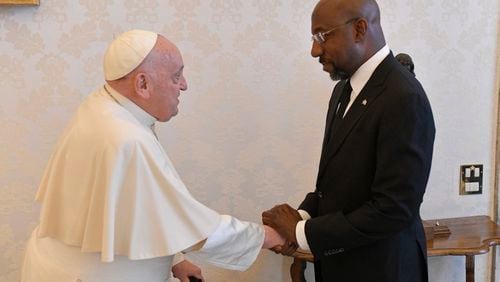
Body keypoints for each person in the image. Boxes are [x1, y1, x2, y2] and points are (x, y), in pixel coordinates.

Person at [21, 29, 284, 282]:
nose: (184, 85)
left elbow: (137, 209)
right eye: (176, 76)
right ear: (143, 83)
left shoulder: (101, 105)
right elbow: (191, 226)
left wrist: (175, 259)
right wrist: (270, 236)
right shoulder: (124, 138)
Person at [262, 0, 435, 281]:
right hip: (341, 264)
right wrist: (302, 215)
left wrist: (301, 232)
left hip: (384, 269)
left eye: (322, 36)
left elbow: (394, 209)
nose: (314, 50)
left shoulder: (404, 97)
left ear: (359, 29)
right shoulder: (343, 89)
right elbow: (336, 183)